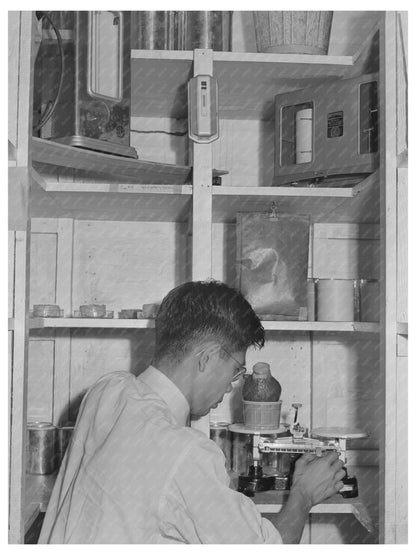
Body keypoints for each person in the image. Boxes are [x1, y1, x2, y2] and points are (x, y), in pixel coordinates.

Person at [39, 280, 345, 544]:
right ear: (207, 357)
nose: (230, 386)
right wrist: (304, 494)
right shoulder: (184, 453)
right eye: (236, 370)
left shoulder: (107, 390)